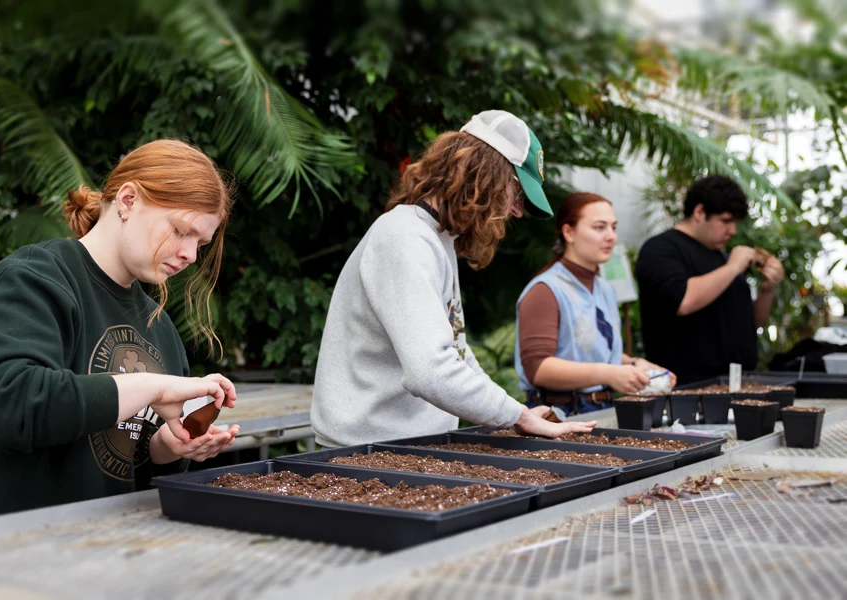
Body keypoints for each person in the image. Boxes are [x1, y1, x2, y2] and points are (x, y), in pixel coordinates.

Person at [0, 139, 240, 522]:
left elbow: (126, 463)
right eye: (181, 230)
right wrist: (153, 387)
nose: (190, 254)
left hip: (104, 550)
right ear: (128, 200)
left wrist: (168, 447)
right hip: (5, 553)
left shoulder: (159, 325)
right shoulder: (32, 279)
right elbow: (10, 404)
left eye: (201, 243)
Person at [311, 110, 598, 447]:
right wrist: (517, 416)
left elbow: (456, 351)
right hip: (366, 453)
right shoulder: (405, 237)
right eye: (517, 193)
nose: (517, 211)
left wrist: (518, 413)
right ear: (484, 173)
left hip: (405, 447)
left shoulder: (435, 239)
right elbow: (430, 371)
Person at [515, 193, 677, 414]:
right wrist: (609, 374)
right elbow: (538, 368)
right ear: (568, 232)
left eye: (613, 227)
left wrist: (633, 365)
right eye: (599, 227)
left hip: (603, 408)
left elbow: (586, 351)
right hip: (558, 413)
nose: (611, 236)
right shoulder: (545, 290)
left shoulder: (605, 289)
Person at [635, 175, 785, 385]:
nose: (732, 231)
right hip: (687, 387)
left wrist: (767, 290)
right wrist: (732, 268)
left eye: (735, 222)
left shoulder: (721, 257)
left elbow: (748, 322)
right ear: (699, 212)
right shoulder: (660, 249)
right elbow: (683, 301)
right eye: (725, 221)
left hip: (735, 382)